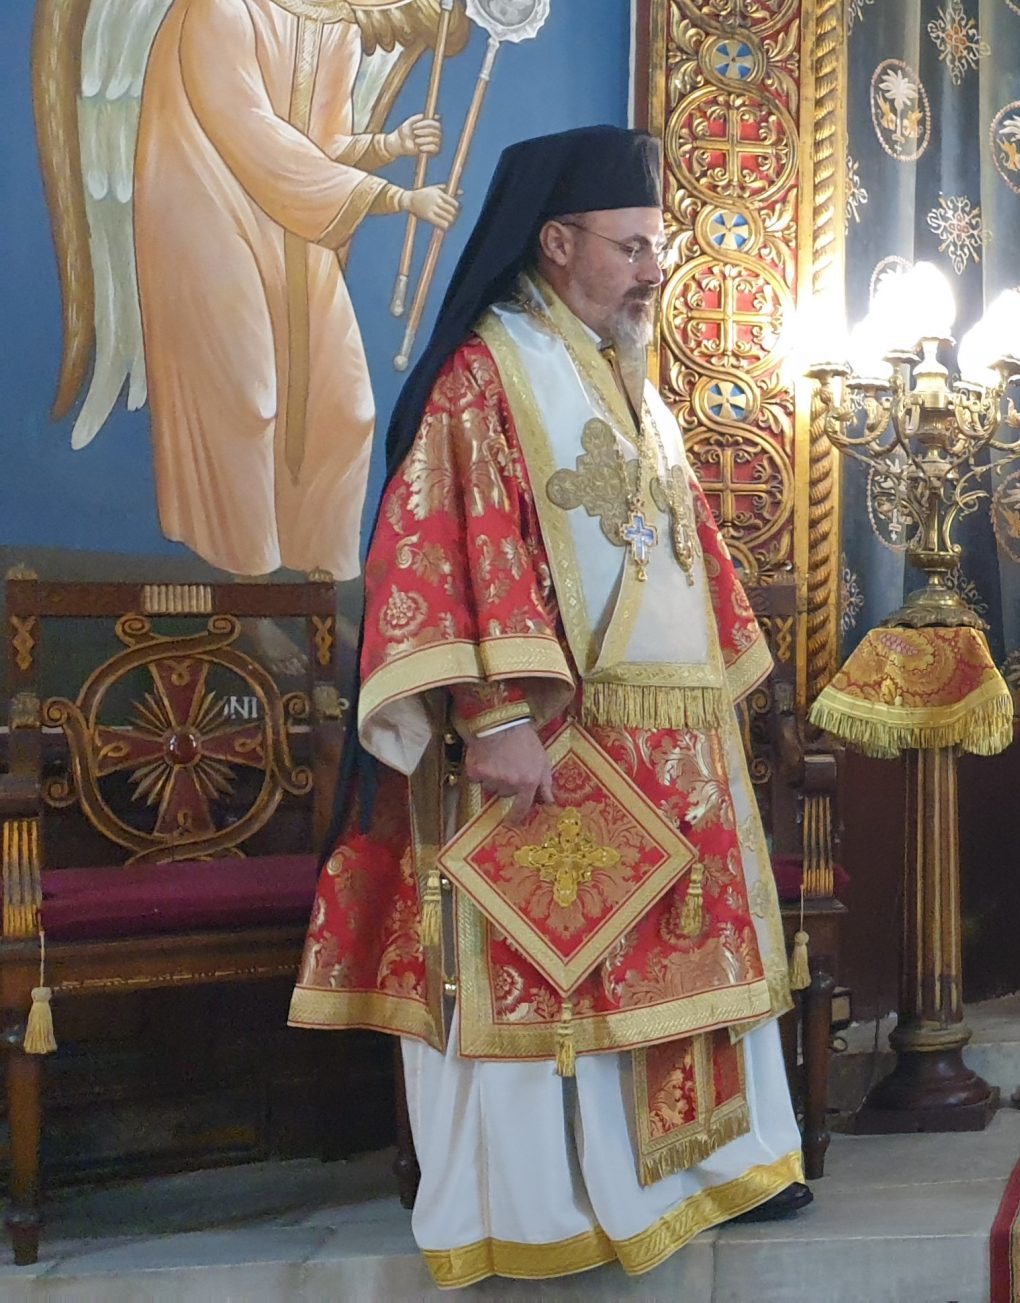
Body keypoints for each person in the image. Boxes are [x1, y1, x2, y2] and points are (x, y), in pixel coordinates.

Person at [288, 125, 808, 1288]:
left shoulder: (621, 374)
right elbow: (449, 548)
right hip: (556, 740)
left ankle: (715, 1166)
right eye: (631, 247)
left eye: (658, 246)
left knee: (682, 958)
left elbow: (677, 539)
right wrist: (494, 716)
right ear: (558, 241)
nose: (653, 270)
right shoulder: (488, 374)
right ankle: (545, 1198)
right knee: (555, 966)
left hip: (671, 740)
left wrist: (724, 685)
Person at [135, 0, 459, 580]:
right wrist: (397, 198)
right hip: (207, 214)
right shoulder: (220, 13)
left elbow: (319, 145)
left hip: (295, 216)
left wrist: (390, 145)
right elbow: (257, 142)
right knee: (248, 397)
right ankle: (246, 583)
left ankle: (318, 584)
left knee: (347, 408)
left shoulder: (336, 27)